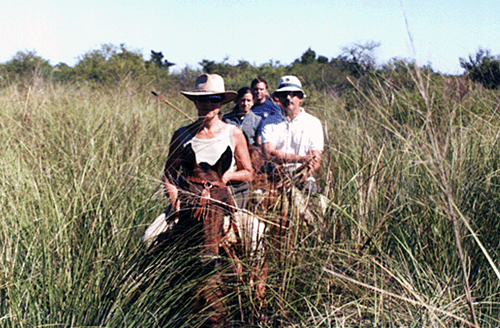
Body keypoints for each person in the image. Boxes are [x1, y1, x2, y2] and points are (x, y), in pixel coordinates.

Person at [142, 73, 254, 246]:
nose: (208, 104)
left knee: (254, 238)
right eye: (202, 100)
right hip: (188, 202)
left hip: (223, 202)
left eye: (214, 99)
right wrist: (175, 200)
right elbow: (169, 175)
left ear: (221, 103)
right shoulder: (182, 135)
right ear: (195, 102)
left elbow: (248, 173)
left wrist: (225, 178)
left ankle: (255, 273)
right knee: (148, 239)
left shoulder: (234, 133)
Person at [261, 75, 323, 193]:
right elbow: (269, 153)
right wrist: (302, 159)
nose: (288, 98)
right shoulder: (268, 122)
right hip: (273, 176)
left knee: (315, 200)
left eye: (293, 94)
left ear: (300, 97)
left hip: (302, 176)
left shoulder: (313, 123)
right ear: (278, 98)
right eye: (284, 95)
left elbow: (316, 159)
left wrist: (301, 173)